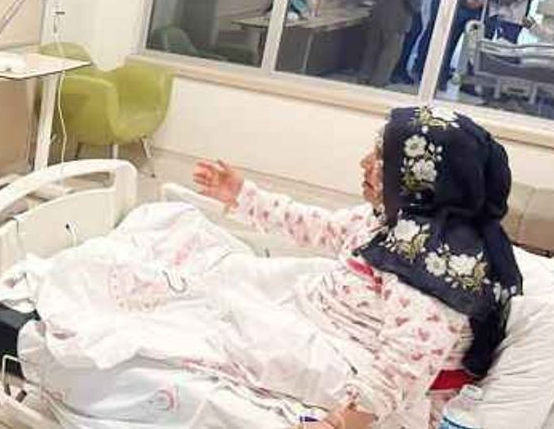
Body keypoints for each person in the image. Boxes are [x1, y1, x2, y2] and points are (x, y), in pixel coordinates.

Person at [193, 105, 521, 428]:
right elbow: (318, 226)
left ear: (423, 179)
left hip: (362, 375)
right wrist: (242, 195)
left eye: (381, 157)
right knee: (210, 277)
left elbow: (404, 364)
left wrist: (336, 423)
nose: (364, 162)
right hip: (327, 323)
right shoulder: (395, 221)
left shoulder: (432, 265)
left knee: (221, 322)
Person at [359, 0, 425, 88]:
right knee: (390, 53)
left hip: (378, 10)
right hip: (398, 15)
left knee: (372, 49)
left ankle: (363, 77)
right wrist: (417, 8)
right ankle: (378, 83)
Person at [438, 0, 501, 90]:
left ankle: (468, 84)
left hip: (479, 13)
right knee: (447, 46)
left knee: (474, 49)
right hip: (458, 9)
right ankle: (439, 79)